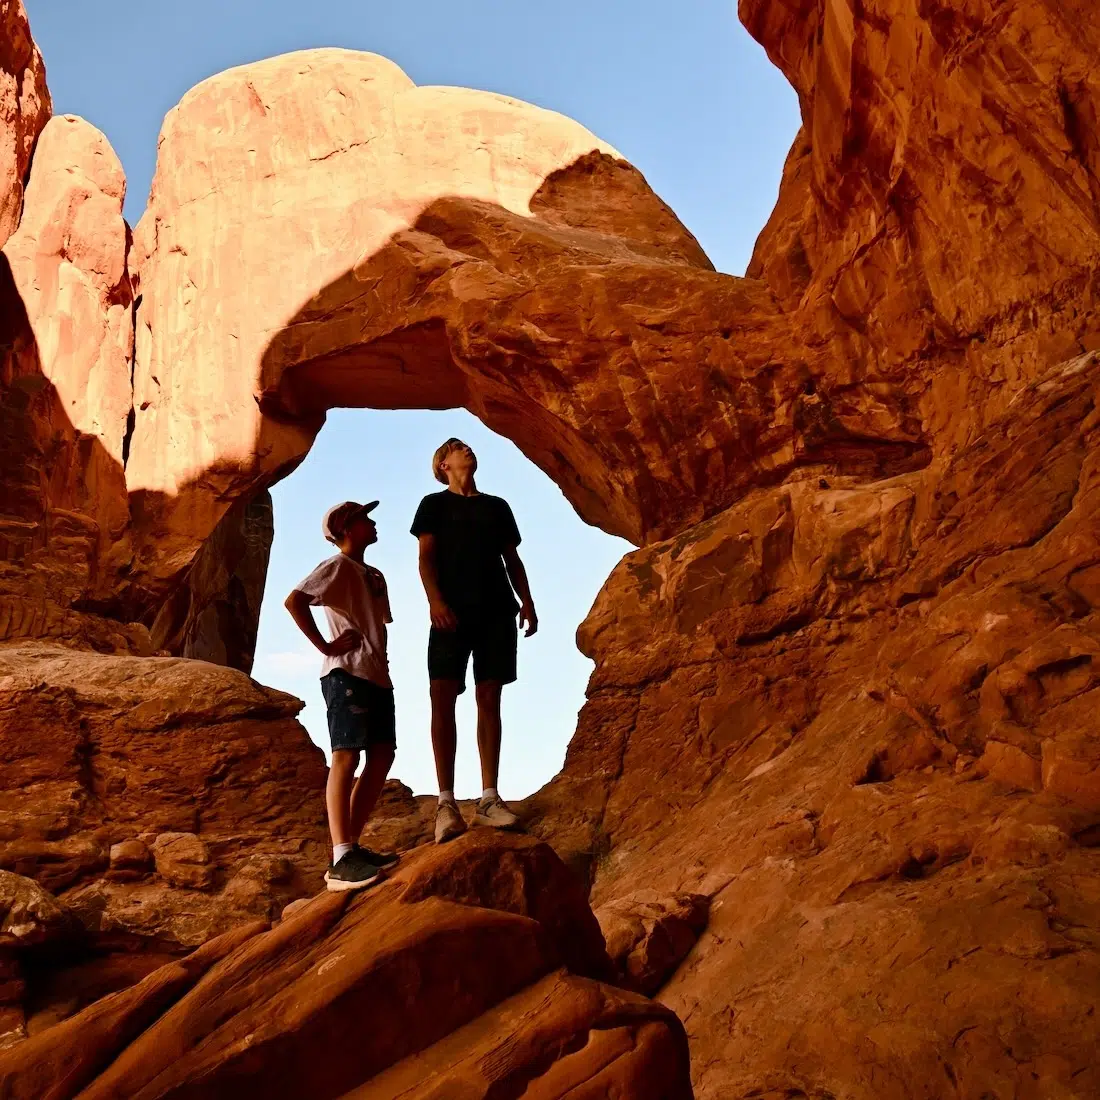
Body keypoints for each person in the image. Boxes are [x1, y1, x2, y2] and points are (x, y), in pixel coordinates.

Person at [411, 438, 538, 844]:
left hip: (497, 609)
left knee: (490, 696)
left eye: (467, 446)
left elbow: (511, 559)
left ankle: (488, 798)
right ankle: (446, 804)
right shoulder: (433, 504)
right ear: (443, 464)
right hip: (451, 611)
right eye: (458, 448)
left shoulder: (496, 507)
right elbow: (426, 557)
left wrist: (527, 601)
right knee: (441, 695)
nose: (468, 450)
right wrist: (435, 601)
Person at [285, 500, 399, 892]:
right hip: (345, 672)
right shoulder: (336, 566)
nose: (373, 523)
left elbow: (375, 622)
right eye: (365, 519)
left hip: (374, 674)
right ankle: (340, 855)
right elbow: (295, 600)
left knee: (383, 754)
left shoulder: (374, 574)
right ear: (348, 529)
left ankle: (352, 846)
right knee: (347, 754)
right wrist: (325, 645)